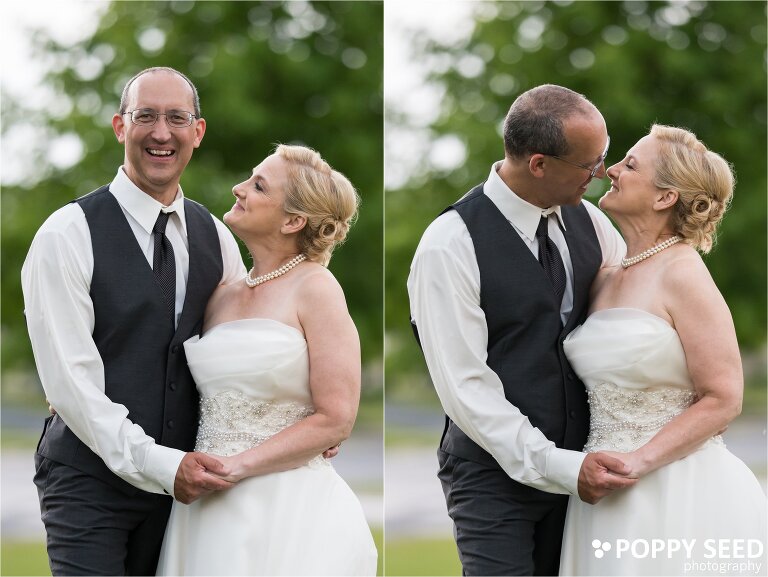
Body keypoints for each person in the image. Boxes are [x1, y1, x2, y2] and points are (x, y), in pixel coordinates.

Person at [21, 67, 248, 575]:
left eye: (176, 118)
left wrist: (306, 415)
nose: (161, 133)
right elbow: (72, 386)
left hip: (189, 494)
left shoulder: (218, 238)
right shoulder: (66, 234)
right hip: (88, 484)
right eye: (145, 116)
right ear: (120, 126)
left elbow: (243, 349)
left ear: (197, 132)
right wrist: (162, 465)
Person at [407, 84, 637, 576]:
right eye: (590, 163)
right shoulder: (448, 245)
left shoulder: (594, 224)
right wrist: (557, 465)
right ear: (539, 164)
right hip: (491, 481)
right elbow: (465, 386)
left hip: (587, 473)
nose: (602, 173)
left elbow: (629, 324)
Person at [156, 144, 378, 576]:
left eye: (258, 186)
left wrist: (236, 467)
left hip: (285, 507)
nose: (238, 188)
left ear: (293, 221)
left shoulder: (317, 288)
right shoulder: (221, 294)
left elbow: (336, 418)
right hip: (204, 507)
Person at [559, 125, 767, 575]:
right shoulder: (605, 276)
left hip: (677, 489)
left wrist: (638, 462)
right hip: (600, 493)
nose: (610, 170)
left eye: (630, 165)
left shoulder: (683, 274)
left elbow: (724, 397)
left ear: (664, 197)